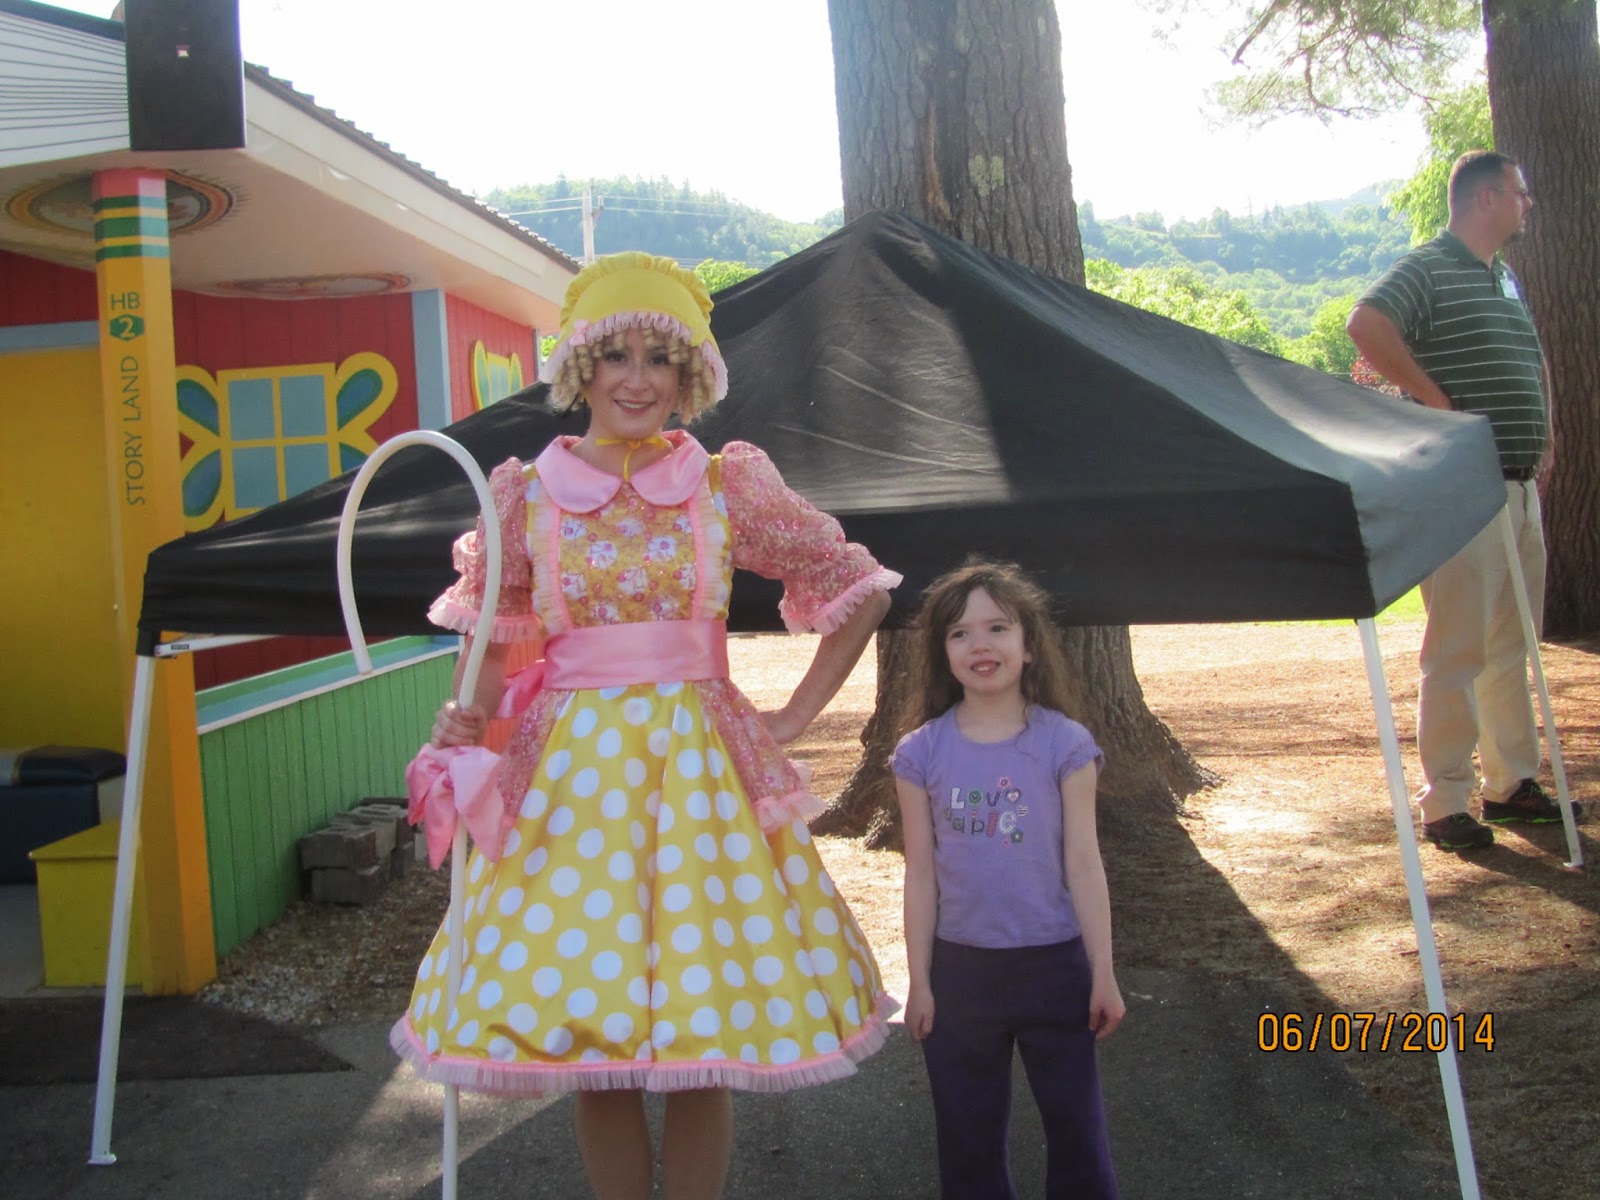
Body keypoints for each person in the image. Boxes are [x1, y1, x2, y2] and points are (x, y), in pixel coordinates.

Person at [392, 251, 902, 1199]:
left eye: (661, 358)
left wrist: (795, 713)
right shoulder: (526, 493)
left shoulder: (723, 483)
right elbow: (497, 650)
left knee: (702, 1043)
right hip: (571, 792)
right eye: (617, 355)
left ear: (689, 374)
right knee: (599, 1047)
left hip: (702, 783)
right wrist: (471, 722)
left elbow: (857, 585)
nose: (638, 378)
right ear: (581, 368)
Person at [1347, 149, 1578, 851]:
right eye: (1519, 192)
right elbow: (1367, 323)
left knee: (1513, 643)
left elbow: (1531, 359)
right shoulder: (1429, 266)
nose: (1527, 204)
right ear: (1485, 198)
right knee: (1458, 647)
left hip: (1517, 485)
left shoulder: (1502, 275)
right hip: (1462, 488)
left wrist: (1546, 432)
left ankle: (1510, 786)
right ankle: (1446, 803)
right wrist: (1437, 403)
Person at [891, 559, 1123, 1200]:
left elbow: (1084, 863)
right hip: (961, 976)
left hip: (1056, 969)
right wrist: (920, 982)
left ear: (1028, 645)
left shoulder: (1065, 744)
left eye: (998, 627)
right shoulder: (920, 753)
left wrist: (1102, 971)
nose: (980, 645)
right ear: (942, 654)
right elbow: (921, 875)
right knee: (968, 1141)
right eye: (960, 633)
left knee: (1078, 1135)